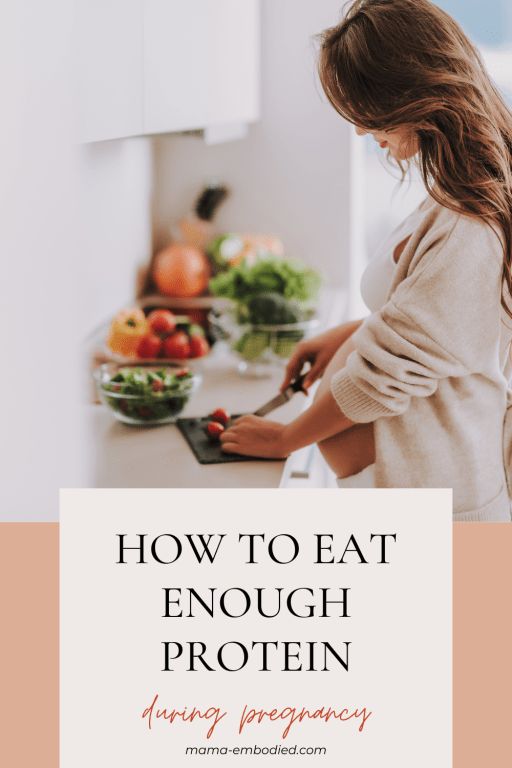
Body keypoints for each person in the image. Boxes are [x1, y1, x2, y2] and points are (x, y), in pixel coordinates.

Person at [221, 0, 512, 522]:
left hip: (445, 511)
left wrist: (287, 438)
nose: (360, 131)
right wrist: (353, 333)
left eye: (367, 111)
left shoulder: (472, 225)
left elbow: (390, 375)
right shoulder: (456, 194)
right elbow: (439, 323)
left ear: (414, 95)